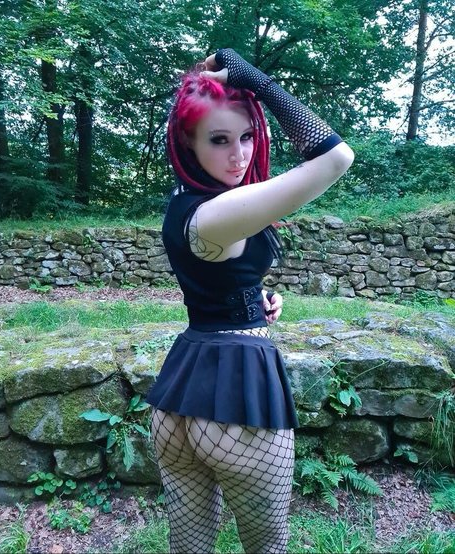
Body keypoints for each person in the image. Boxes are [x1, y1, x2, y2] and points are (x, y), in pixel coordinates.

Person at [146, 48, 354, 554]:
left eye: (246, 136)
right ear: (189, 142)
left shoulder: (185, 206)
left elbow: (211, 277)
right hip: (238, 396)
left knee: (188, 547)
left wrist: (251, 298)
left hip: (178, 397)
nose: (238, 155)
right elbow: (336, 158)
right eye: (219, 140)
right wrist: (256, 80)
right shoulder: (219, 213)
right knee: (268, 548)